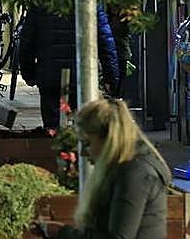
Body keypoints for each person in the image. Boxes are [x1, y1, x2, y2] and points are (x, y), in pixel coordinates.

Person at [35, 98, 172, 239]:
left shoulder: (134, 174)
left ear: (109, 139)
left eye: (87, 143)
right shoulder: (125, 168)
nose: (82, 153)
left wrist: (63, 233)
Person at [18, 5, 120, 133]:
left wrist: (29, 74)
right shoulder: (89, 0)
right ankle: (78, 150)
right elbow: (106, 43)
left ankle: (55, 146)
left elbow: (27, 43)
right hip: (82, 77)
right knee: (82, 126)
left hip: (49, 75)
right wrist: (111, 78)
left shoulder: (40, 3)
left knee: (52, 127)